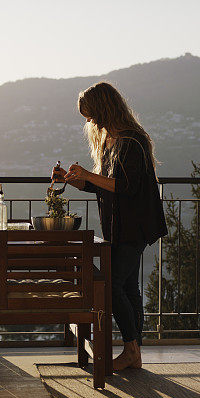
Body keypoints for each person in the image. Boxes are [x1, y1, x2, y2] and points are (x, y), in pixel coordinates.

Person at [52, 82, 167, 371]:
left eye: (89, 114)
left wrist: (90, 175)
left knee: (110, 284)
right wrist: (74, 179)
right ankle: (134, 352)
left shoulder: (133, 141)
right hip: (118, 226)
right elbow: (103, 187)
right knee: (128, 287)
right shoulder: (109, 141)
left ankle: (130, 350)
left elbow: (125, 186)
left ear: (103, 108)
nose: (89, 120)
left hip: (136, 225)